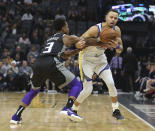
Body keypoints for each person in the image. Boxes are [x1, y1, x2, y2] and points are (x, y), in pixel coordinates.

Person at [10, 17, 110, 124]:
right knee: (77, 85)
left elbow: (63, 55)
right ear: (63, 28)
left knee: (34, 91)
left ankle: (16, 116)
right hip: (50, 63)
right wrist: (101, 43)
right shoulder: (65, 37)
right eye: (67, 26)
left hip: (38, 63)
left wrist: (77, 50)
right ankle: (68, 108)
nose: (68, 27)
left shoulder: (50, 39)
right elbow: (86, 40)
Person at [65, 9, 124, 121]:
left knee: (111, 83)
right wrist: (99, 42)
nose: (113, 20)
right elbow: (80, 40)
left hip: (101, 59)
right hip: (86, 59)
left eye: (115, 18)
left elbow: (120, 49)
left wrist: (117, 47)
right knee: (88, 89)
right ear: (106, 17)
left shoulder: (116, 30)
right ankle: (73, 109)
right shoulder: (95, 29)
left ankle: (116, 110)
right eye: (111, 17)